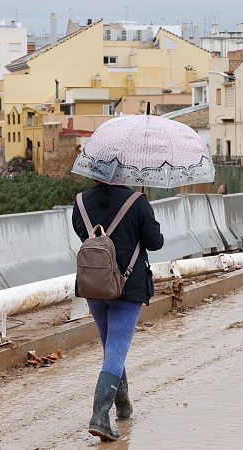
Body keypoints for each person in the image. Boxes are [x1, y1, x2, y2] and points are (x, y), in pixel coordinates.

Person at [71, 181, 164, 442]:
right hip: (127, 285)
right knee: (117, 348)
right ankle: (99, 417)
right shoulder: (137, 202)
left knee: (110, 346)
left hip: (94, 285)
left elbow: (84, 236)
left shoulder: (80, 202)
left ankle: (123, 405)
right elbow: (154, 242)